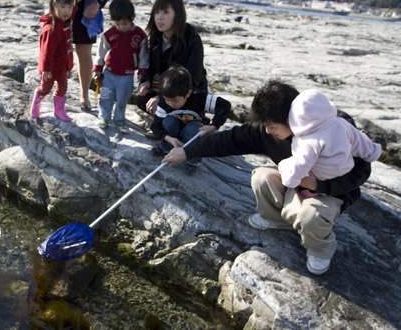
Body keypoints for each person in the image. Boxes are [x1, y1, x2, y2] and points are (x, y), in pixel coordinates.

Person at [162, 80, 374, 275]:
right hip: (295, 182)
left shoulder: (332, 126)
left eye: (271, 126)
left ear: (292, 118)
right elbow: (228, 140)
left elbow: (362, 170)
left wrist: (320, 185)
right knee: (261, 177)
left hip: (330, 191)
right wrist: (187, 152)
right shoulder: (268, 130)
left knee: (309, 216)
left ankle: (320, 249)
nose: (266, 130)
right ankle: (277, 219)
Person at [274, 88, 381, 195]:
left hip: (321, 176)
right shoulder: (342, 124)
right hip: (345, 169)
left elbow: (301, 163)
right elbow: (360, 142)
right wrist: (373, 152)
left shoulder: (309, 141)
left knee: (286, 164)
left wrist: (290, 179)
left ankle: (310, 191)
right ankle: (315, 191)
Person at [137, 0, 208, 121]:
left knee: (170, 109)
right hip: (165, 89)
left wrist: (161, 97)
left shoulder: (191, 38)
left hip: (186, 92)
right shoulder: (155, 37)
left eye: (165, 12)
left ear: (178, 15)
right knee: (142, 99)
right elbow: (149, 67)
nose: (159, 17)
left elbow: (193, 76)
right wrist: (145, 81)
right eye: (157, 13)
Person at [93, 0, 148, 129]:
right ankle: (103, 117)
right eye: (118, 24)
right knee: (105, 97)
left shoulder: (140, 35)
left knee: (122, 100)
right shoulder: (108, 34)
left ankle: (119, 119)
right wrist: (97, 69)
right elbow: (101, 53)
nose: (121, 27)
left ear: (132, 18)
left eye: (125, 23)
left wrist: (142, 72)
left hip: (127, 76)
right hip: (108, 73)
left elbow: (143, 56)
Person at [150, 66, 231, 156]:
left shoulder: (199, 98)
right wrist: (169, 138)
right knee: (169, 122)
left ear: (188, 93)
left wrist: (214, 126)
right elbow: (155, 126)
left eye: (175, 101)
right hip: (173, 132)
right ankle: (167, 146)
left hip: (193, 128)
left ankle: (192, 155)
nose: (170, 103)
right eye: (167, 99)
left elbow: (224, 105)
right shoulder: (163, 102)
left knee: (193, 130)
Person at [30, 0, 76, 122]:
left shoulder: (65, 23)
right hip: (50, 68)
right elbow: (46, 51)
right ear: (54, 5)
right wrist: (46, 69)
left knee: (63, 88)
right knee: (45, 88)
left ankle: (59, 111)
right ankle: (35, 104)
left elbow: (67, 46)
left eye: (70, 8)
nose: (66, 11)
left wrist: (69, 65)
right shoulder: (51, 28)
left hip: (62, 66)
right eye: (63, 7)